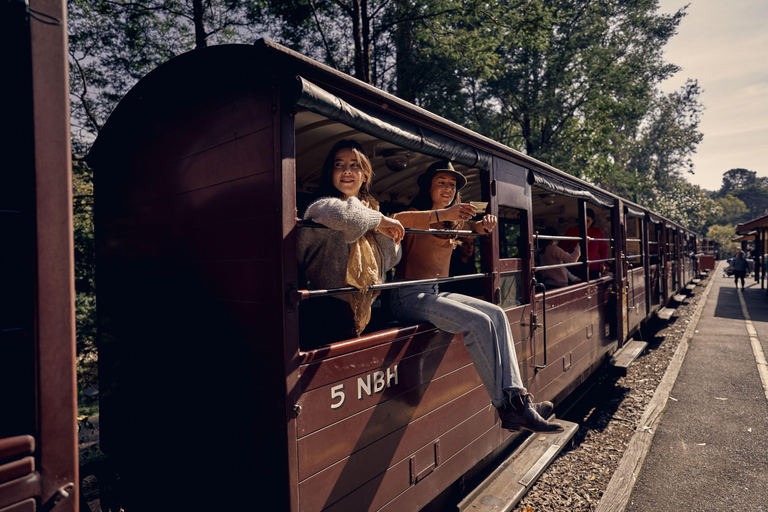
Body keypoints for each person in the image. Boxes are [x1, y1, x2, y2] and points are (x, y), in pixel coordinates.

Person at [390, 161, 563, 434]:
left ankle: (519, 398)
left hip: (434, 291)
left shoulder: (453, 221)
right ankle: (507, 408)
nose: (448, 188)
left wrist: (485, 225)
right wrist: (444, 212)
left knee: (497, 314)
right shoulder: (415, 214)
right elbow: (399, 219)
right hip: (407, 295)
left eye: (452, 184)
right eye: (441, 183)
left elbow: (474, 231)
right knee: (478, 323)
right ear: (429, 187)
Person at [297, 140, 404, 348]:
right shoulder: (321, 207)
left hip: (373, 307)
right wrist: (380, 222)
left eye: (355, 164)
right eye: (339, 164)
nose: (347, 170)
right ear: (331, 172)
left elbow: (392, 257)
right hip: (329, 310)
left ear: (365, 175)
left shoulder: (373, 209)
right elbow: (347, 215)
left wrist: (379, 223)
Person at [561, 208, 609, 279]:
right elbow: (563, 248)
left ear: (592, 220)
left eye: (588, 221)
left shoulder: (598, 232)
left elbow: (603, 249)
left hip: (593, 269)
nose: (585, 223)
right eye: (583, 220)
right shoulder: (571, 231)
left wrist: (602, 263)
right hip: (574, 269)